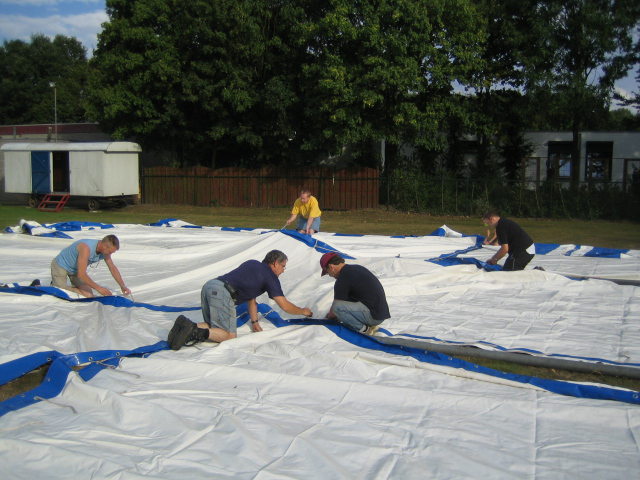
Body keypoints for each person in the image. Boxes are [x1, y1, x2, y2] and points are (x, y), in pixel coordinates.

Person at [168, 250, 313, 350]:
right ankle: (193, 331)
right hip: (222, 293)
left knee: (214, 325)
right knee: (229, 335)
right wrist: (303, 311)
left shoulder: (252, 264)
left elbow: (251, 298)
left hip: (210, 286)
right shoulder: (270, 277)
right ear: (275, 263)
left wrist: (255, 322)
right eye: (283, 266)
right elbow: (285, 306)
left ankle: (184, 327)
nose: (283, 270)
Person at [319, 252, 390, 335]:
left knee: (337, 307)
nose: (330, 275)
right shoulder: (356, 269)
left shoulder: (343, 279)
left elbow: (336, 308)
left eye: (327, 272)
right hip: (380, 313)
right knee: (344, 304)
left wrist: (329, 319)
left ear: (331, 267)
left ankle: (365, 330)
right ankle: (370, 325)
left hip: (373, 316)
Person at [51, 235, 131, 298]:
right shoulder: (86, 248)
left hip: (75, 269)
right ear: (104, 245)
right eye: (110, 252)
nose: (109, 254)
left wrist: (123, 286)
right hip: (61, 265)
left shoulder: (105, 252)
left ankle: (62, 287)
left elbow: (112, 268)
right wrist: (99, 288)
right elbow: (81, 274)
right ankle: (56, 286)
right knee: (59, 293)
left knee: (88, 296)